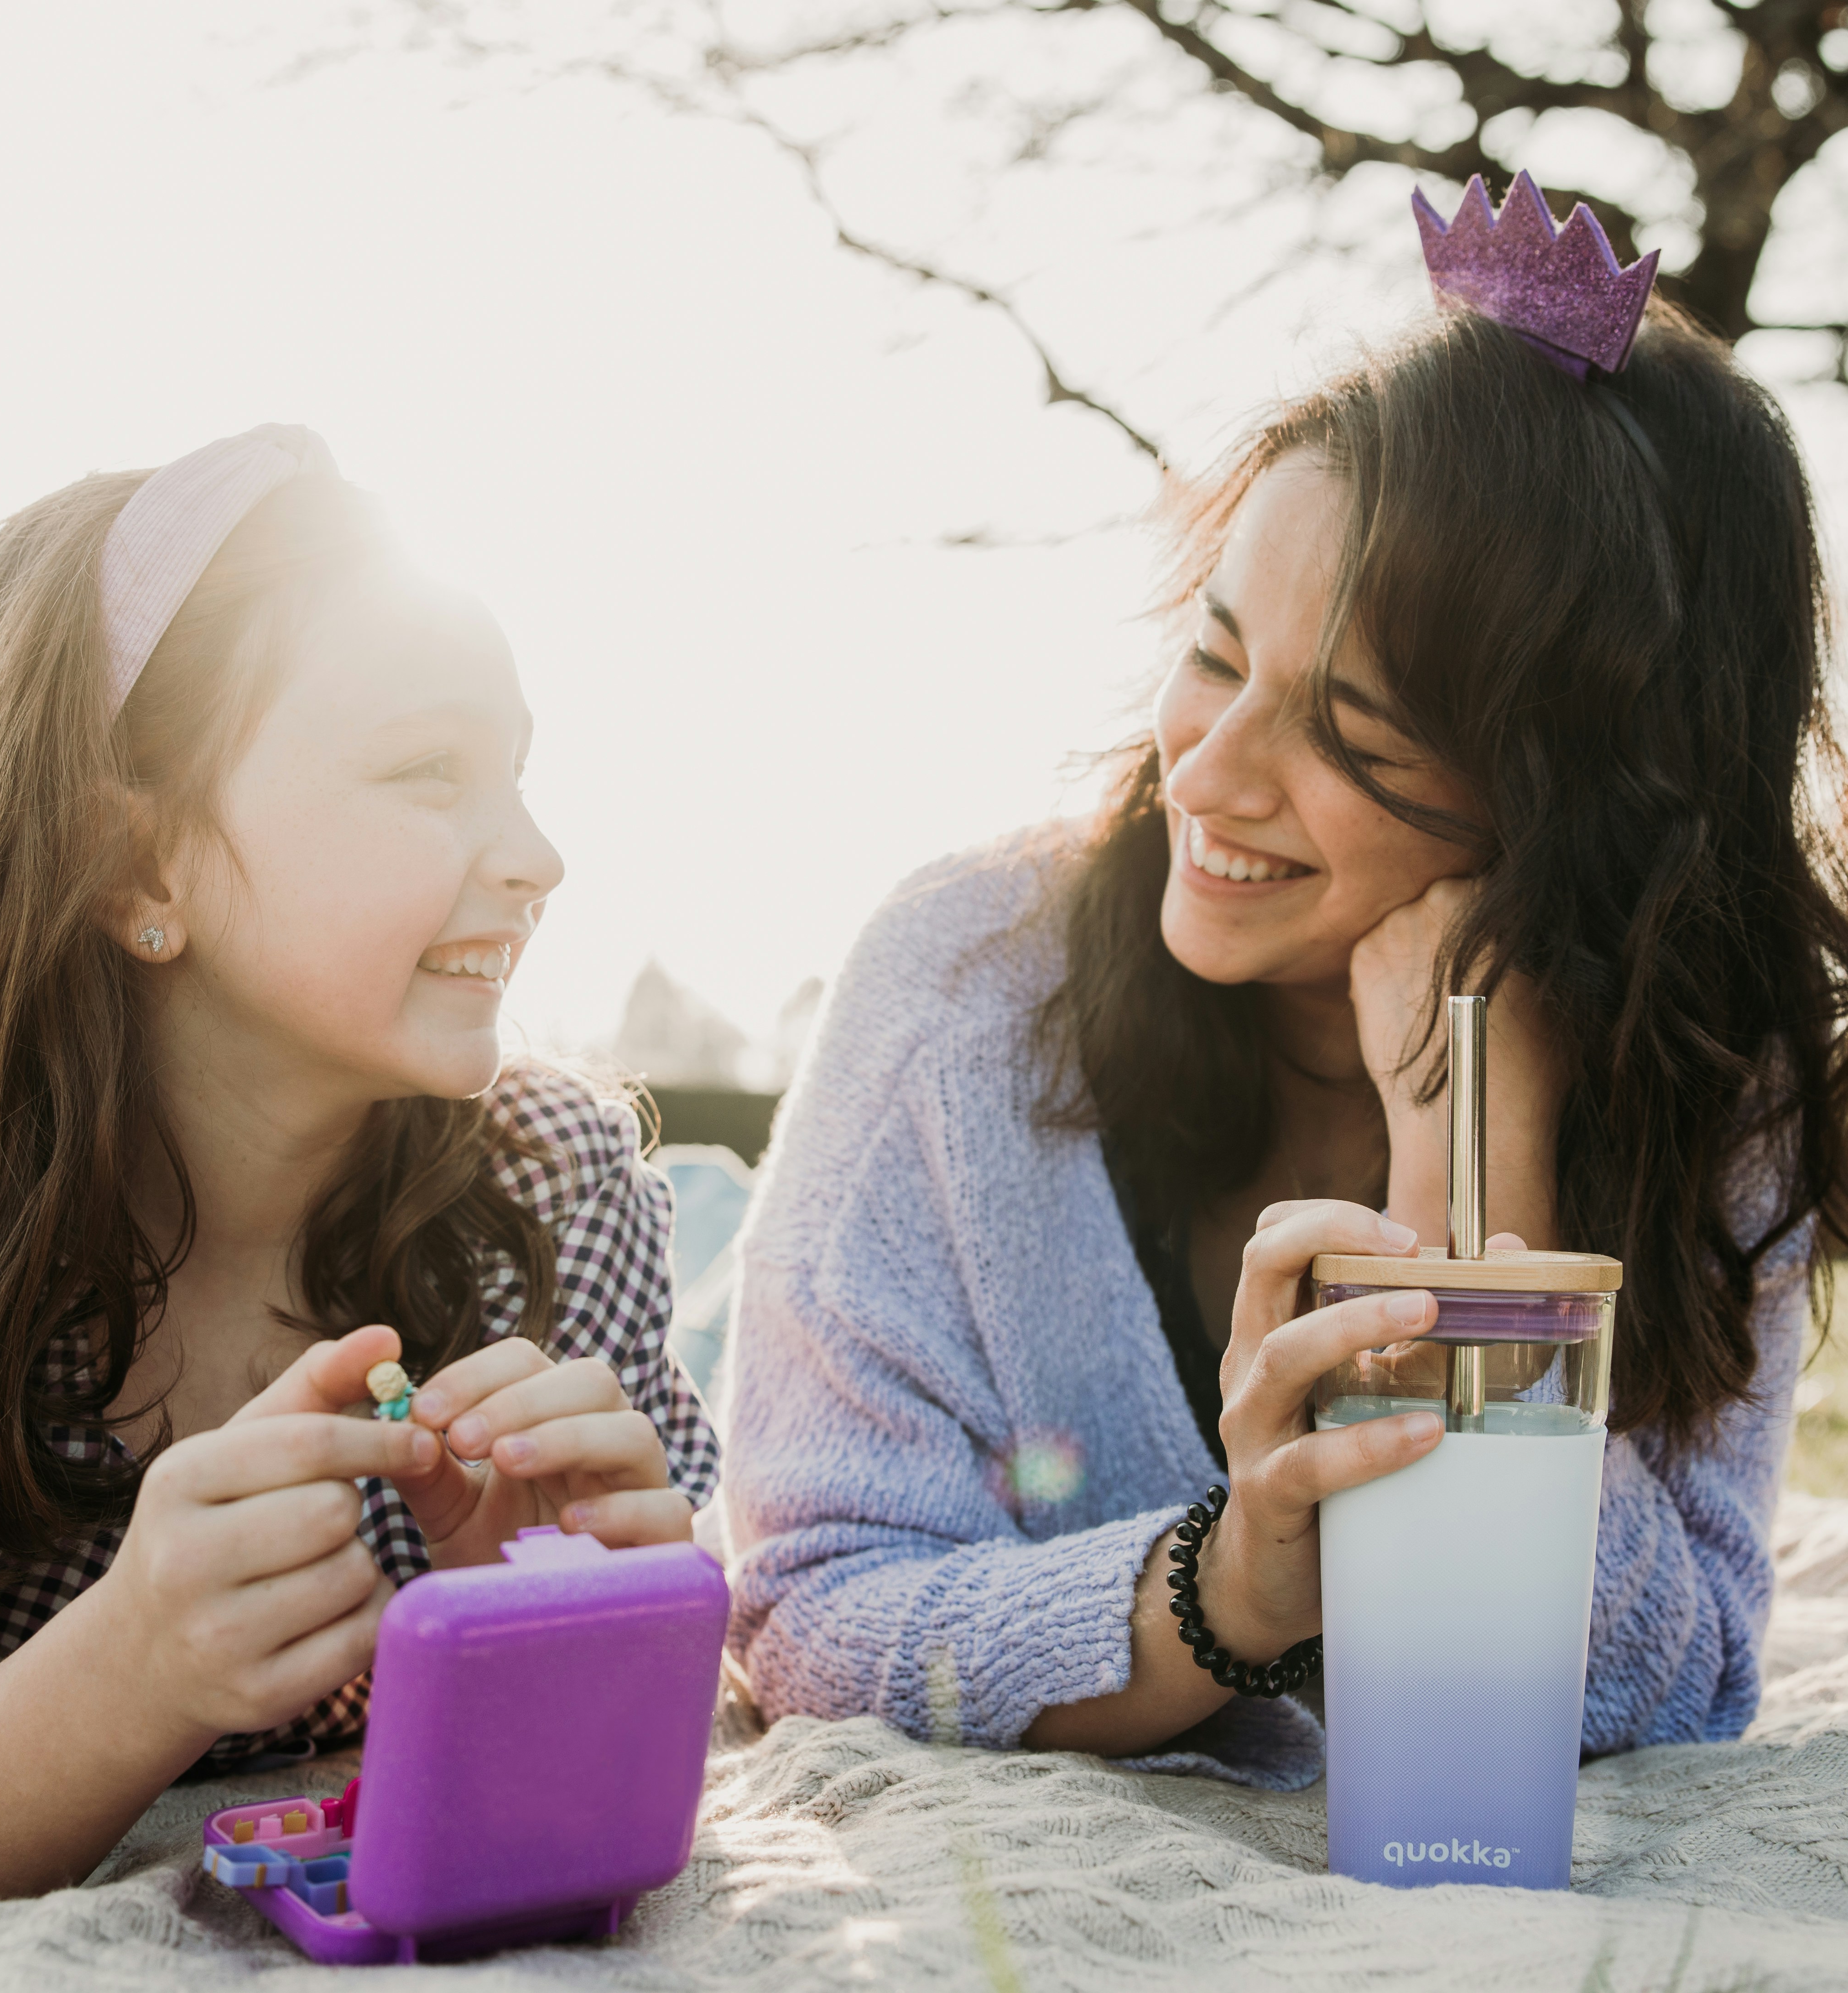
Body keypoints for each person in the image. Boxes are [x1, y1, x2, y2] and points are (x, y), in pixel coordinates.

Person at [720, 200, 1847, 1785]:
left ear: (1565, 814)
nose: (1211, 768)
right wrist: (1229, 1590)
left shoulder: (1726, 1088)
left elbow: (1674, 1697)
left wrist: (1477, 1174)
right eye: (1216, 651)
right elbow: (805, 1615)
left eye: (1348, 736)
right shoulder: (965, 983)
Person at [0, 428, 718, 1895]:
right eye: (426, 769)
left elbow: (650, 1761)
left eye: (514, 770)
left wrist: (549, 1612)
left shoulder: (553, 1192)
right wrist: (128, 1670)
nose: (536, 854)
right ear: (135, 863)